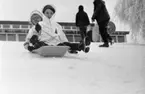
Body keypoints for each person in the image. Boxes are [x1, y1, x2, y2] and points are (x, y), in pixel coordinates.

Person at [24, 5, 90, 53]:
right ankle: (44, 47)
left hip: (56, 44)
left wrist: (68, 47)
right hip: (43, 44)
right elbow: (30, 38)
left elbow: (62, 36)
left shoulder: (56, 25)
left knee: (65, 44)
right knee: (39, 44)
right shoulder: (37, 26)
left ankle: (81, 46)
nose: (49, 15)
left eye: (51, 13)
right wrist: (29, 46)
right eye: (47, 13)